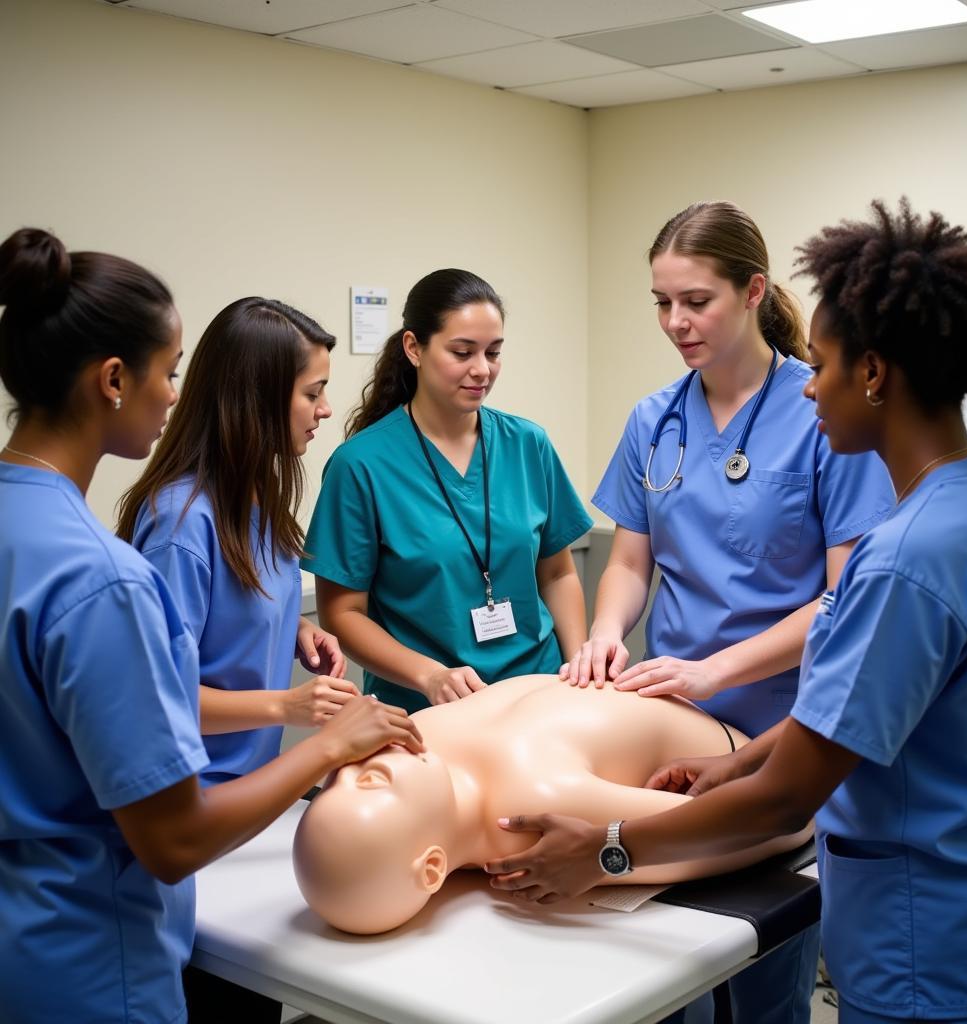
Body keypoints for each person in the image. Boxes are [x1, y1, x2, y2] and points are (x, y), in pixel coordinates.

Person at [486, 199, 967, 1024]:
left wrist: (607, 847)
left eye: (826, 363)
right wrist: (731, 764)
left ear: (873, 373)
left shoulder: (907, 556)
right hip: (965, 900)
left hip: (922, 935)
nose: (812, 386)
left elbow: (788, 796)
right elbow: (867, 710)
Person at [0, 228, 424, 1024]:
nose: (174, 395)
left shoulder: (29, 528)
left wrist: (290, 639)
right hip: (88, 951)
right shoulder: (118, 570)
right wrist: (324, 738)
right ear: (114, 379)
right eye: (169, 372)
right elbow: (172, 838)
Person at [561, 200, 895, 1024]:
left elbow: (840, 598)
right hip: (665, 729)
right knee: (658, 975)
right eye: (661, 303)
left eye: (696, 301)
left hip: (780, 736)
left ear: (753, 293)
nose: (676, 322)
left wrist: (717, 668)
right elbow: (630, 561)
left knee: (762, 980)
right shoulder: (654, 419)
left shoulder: (822, 414)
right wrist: (607, 633)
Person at [293, 674, 812, 934]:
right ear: (431, 867)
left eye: (339, 778)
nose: (353, 766)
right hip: (732, 754)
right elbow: (774, 823)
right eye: (373, 782)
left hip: (731, 741)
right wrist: (792, 800)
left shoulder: (415, 736)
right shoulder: (533, 810)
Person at [303, 269, 593, 712]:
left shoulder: (528, 445)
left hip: (540, 693)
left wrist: (578, 668)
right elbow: (343, 615)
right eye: (462, 352)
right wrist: (429, 675)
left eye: (493, 353)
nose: (482, 370)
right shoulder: (361, 466)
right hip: (428, 708)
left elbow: (556, 573)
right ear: (414, 348)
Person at [117, 297, 356, 787]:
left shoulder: (257, 495)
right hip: (189, 801)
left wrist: (290, 631)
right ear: (257, 398)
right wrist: (288, 705)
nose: (326, 410)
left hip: (247, 787)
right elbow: (156, 698)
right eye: (313, 394)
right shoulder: (180, 527)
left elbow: (226, 615)